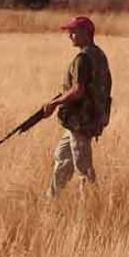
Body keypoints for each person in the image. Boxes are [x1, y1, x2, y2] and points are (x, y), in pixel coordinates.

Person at [42, 15, 112, 198]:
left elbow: (78, 90)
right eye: (69, 31)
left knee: (83, 166)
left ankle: (91, 205)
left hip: (82, 120)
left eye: (73, 31)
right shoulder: (99, 54)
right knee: (63, 156)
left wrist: (54, 103)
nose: (70, 35)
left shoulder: (83, 58)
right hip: (88, 117)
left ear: (86, 33)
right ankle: (51, 198)